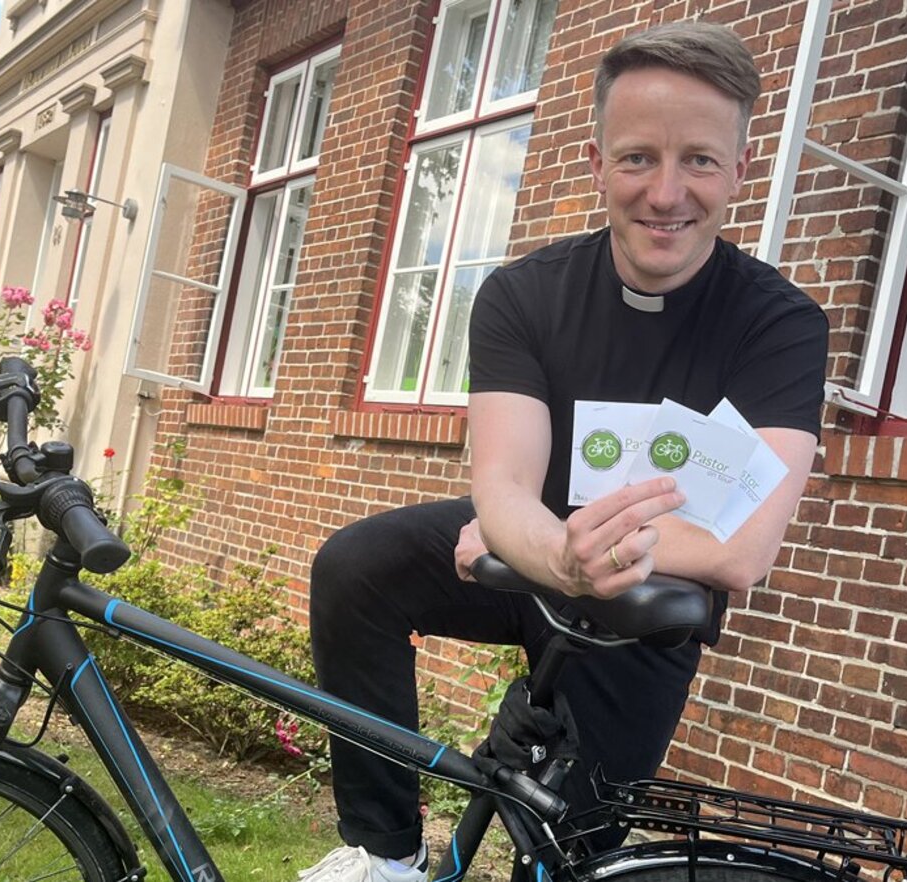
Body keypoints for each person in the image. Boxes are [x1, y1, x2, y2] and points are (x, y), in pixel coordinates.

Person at [300, 20, 829, 882]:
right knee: (356, 569)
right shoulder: (521, 297)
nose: (666, 193)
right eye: (636, 159)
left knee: (567, 858)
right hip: (532, 552)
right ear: (595, 164)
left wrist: (554, 548)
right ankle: (386, 852)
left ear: (738, 169)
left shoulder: (780, 324)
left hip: (643, 606)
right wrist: (547, 551)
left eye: (698, 159)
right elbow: (502, 481)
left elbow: (740, 548)